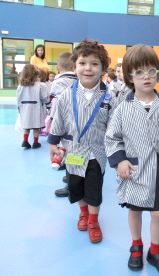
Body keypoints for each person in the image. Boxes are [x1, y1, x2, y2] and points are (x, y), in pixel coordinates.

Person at [105, 44, 159, 275]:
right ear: (130, 76)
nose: (146, 77)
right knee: (135, 210)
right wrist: (120, 160)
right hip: (133, 167)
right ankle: (137, 245)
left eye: (151, 71)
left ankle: (155, 250)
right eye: (139, 72)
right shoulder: (122, 109)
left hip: (158, 168)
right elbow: (112, 137)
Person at [48, 40, 116, 243]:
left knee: (94, 189)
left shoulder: (109, 99)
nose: (88, 68)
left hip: (97, 153)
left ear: (103, 68)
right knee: (77, 187)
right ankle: (83, 213)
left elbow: (114, 129)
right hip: (74, 152)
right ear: (75, 66)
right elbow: (58, 121)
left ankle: (94, 221)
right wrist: (53, 143)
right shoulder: (66, 96)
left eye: (94, 64)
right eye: (83, 63)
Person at [48, 52, 77, 198]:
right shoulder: (78, 80)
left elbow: (55, 102)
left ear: (59, 67)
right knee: (73, 151)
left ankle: (71, 185)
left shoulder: (58, 82)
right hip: (77, 123)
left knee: (67, 150)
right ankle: (71, 176)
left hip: (63, 124)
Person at [16, 64, 48, 149]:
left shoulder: (20, 86)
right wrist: (48, 101)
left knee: (26, 126)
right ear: (36, 74)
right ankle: (35, 143)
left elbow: (18, 99)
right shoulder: (40, 85)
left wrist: (19, 109)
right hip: (36, 108)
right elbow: (44, 98)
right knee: (36, 126)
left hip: (24, 109)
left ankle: (25, 141)